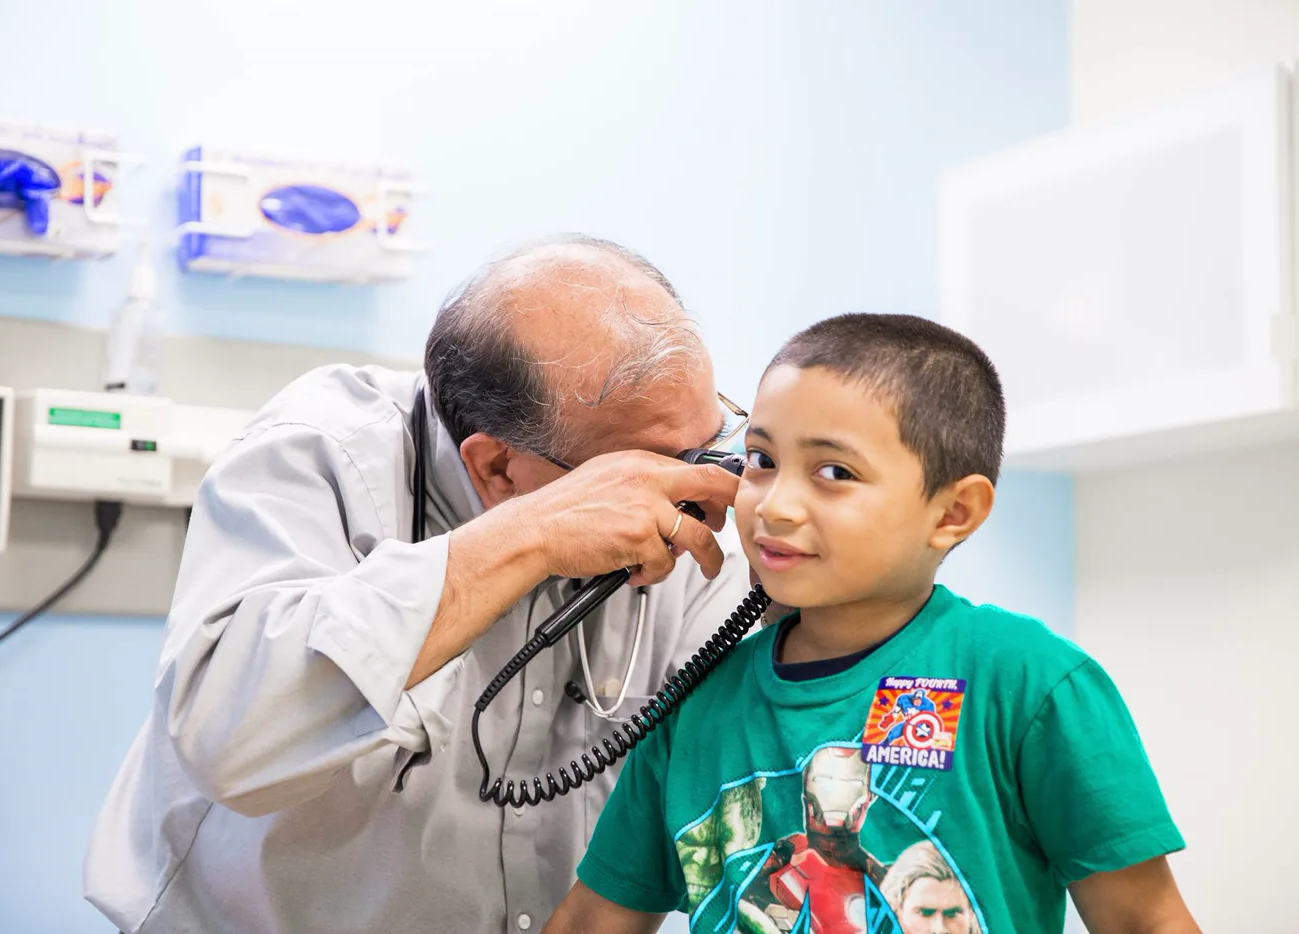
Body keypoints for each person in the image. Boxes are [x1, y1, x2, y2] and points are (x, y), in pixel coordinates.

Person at [83, 235, 757, 934]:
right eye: (649, 469)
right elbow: (230, 739)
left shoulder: (700, 533)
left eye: (715, 443)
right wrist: (530, 537)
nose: (706, 494)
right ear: (497, 468)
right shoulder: (323, 453)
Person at [545, 313, 1202, 934]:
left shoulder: (1029, 683)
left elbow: (1145, 920)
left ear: (953, 513)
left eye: (834, 472)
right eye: (761, 461)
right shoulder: (695, 709)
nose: (775, 505)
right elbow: (591, 922)